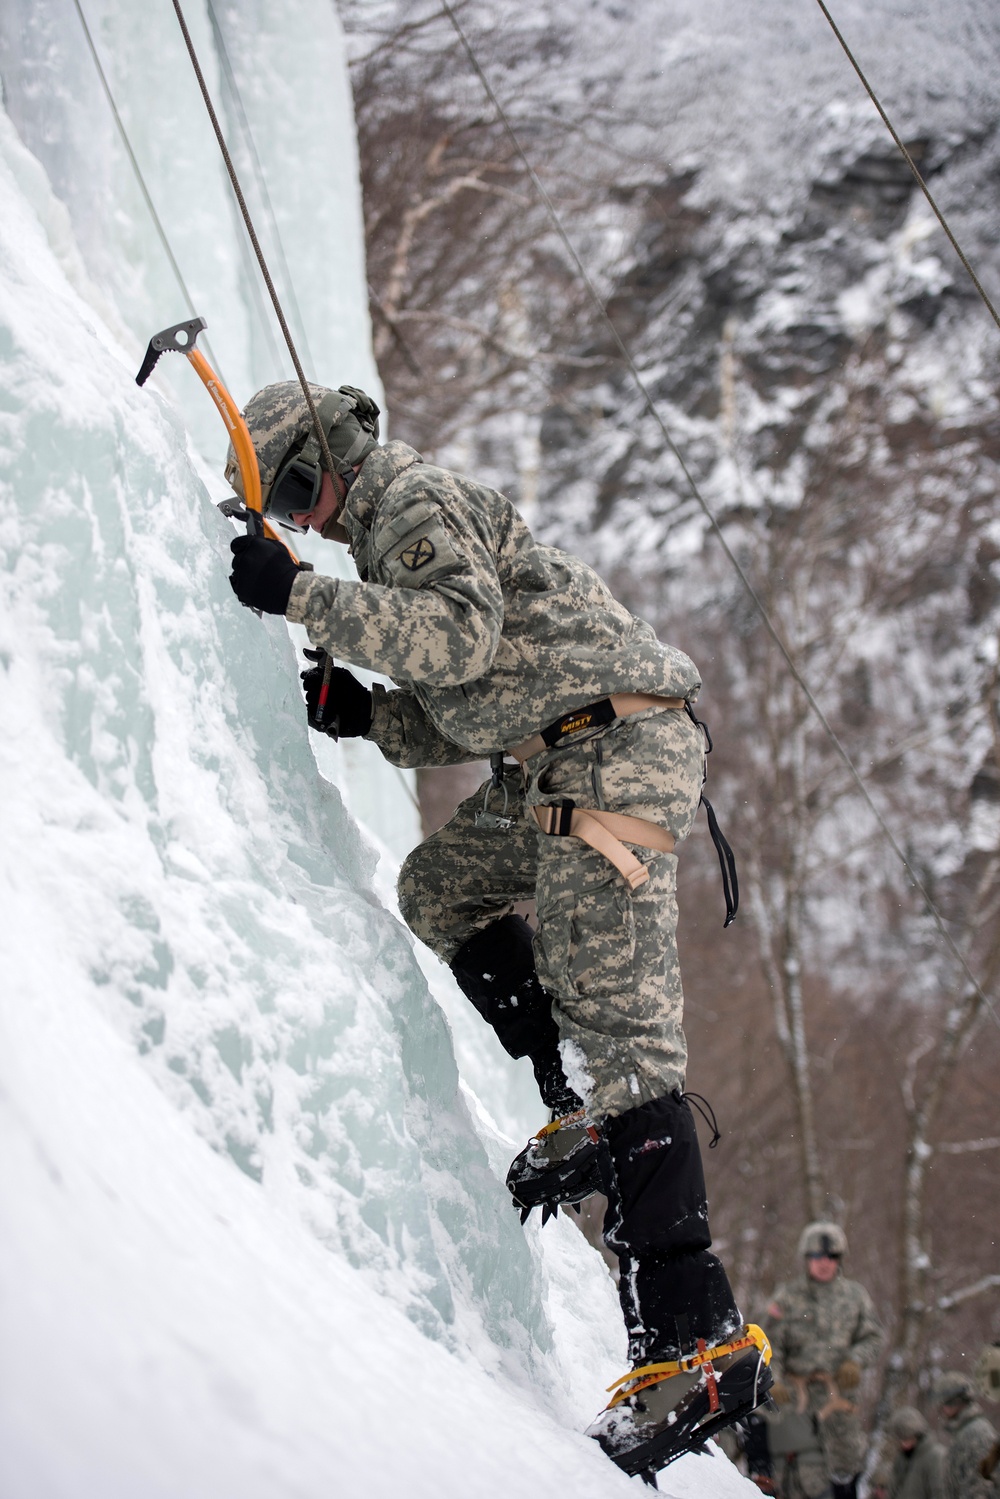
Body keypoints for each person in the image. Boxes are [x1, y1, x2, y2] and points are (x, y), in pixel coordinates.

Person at [225, 381, 771, 1476]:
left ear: (333, 454)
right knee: (438, 887)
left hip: (611, 755)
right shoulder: (386, 532)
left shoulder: (407, 503)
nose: (302, 517)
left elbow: (457, 637)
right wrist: (367, 714)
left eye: (295, 488)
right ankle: (573, 1109)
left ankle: (693, 1335)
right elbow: (460, 698)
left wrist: (303, 599)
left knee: (626, 1033)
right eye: (284, 511)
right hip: (554, 755)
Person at [763, 1221, 884, 1499]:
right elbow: (769, 1344)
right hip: (797, 1402)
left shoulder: (855, 1297)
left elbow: (874, 1338)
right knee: (796, 1477)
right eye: (817, 1257)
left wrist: (855, 1360)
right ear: (806, 1259)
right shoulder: (788, 1297)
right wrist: (775, 1379)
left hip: (838, 1401)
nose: (824, 1263)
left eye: (831, 1257)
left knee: (845, 1471)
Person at [933, 1371, 998, 1499]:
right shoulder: (963, 1432)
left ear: (956, 1402)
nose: (941, 1409)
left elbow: (983, 1486)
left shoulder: (977, 1434)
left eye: (944, 1403)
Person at [881, 1407, 945, 1499]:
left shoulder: (936, 1457)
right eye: (899, 1439)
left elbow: (940, 1493)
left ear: (917, 1435)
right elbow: (893, 1491)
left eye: (906, 1438)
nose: (903, 1444)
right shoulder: (902, 1458)